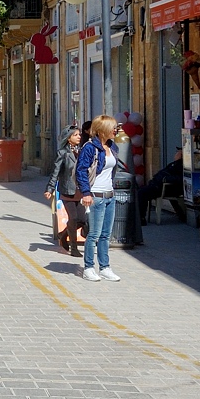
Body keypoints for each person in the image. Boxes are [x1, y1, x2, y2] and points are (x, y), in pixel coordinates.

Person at [77, 115, 121, 282]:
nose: (115, 130)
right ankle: (88, 267)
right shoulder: (90, 148)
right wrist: (86, 193)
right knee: (94, 234)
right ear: (102, 130)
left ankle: (105, 267)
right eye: (113, 127)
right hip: (96, 195)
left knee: (105, 235)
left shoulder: (112, 146)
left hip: (110, 195)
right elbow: (81, 171)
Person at [45, 125, 84, 257]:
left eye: (79, 134)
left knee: (82, 221)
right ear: (68, 138)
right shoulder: (62, 153)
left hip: (81, 190)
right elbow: (55, 172)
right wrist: (50, 189)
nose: (79, 136)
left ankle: (63, 234)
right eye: (76, 135)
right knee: (73, 218)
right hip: (67, 190)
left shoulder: (82, 151)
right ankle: (73, 247)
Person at [136, 149, 187, 224]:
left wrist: (164, 179)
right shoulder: (174, 164)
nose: (175, 154)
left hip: (164, 188)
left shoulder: (180, 165)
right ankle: (139, 216)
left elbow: (180, 178)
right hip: (157, 185)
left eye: (178, 152)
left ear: (181, 155)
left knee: (142, 193)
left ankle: (141, 218)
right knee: (141, 190)